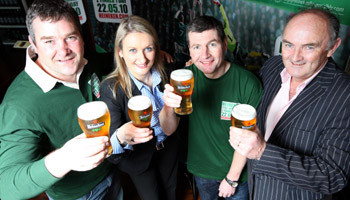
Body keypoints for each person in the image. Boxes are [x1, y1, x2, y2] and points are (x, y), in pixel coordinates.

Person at [0, 0, 122, 199]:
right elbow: (5, 185)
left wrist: (147, 56)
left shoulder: (87, 62)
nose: (64, 50)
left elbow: (110, 60)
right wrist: (65, 158)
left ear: (80, 37)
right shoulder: (19, 105)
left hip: (112, 173)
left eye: (70, 37)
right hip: (78, 195)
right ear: (33, 43)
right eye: (49, 41)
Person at [229, 8, 350, 200]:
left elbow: (332, 177)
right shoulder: (273, 66)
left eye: (309, 47)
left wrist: (262, 151)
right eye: (289, 45)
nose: (295, 57)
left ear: (332, 47)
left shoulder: (344, 95)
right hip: (255, 190)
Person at [160, 15, 263, 200]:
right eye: (197, 47)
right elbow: (168, 129)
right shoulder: (184, 79)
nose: (205, 54)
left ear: (224, 44)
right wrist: (168, 107)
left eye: (212, 44)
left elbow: (250, 137)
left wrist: (231, 179)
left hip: (238, 175)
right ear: (190, 50)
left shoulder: (247, 83)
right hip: (202, 172)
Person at [100, 15, 179, 200]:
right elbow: (111, 149)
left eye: (148, 49)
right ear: (120, 51)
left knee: (171, 192)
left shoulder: (167, 71)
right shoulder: (111, 88)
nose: (142, 58)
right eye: (133, 50)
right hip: (139, 159)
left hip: (169, 147)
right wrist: (121, 135)